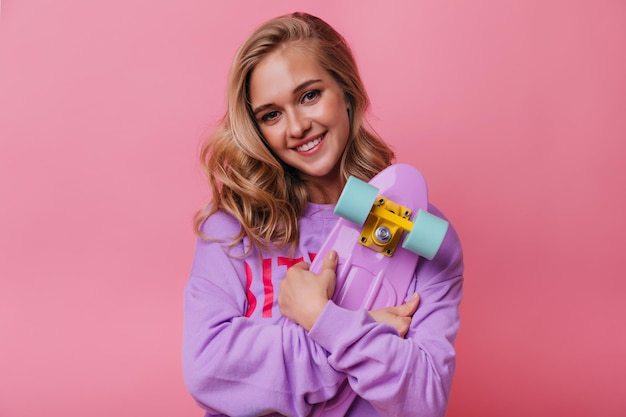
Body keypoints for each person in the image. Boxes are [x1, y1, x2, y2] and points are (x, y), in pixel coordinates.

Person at [182, 12, 464, 417]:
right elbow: (209, 371)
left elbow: (423, 399)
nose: (296, 126)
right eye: (271, 114)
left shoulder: (417, 232)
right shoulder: (234, 227)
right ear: (258, 130)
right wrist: (365, 326)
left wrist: (321, 317)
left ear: (346, 92)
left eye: (309, 95)